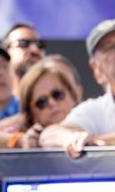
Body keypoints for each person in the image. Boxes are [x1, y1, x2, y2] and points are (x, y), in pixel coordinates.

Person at [40, 19, 115, 157]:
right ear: (96, 69)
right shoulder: (96, 110)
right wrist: (71, 138)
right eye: (109, 48)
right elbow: (48, 135)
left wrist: (98, 140)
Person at [3, 23, 47, 96]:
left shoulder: (58, 103)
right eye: (23, 43)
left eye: (40, 44)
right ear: (6, 52)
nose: (35, 49)